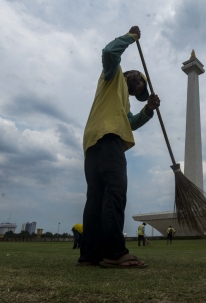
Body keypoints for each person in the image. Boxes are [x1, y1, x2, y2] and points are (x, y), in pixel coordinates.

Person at [78, 26, 160, 269]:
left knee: (96, 198)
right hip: (107, 138)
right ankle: (114, 253)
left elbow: (130, 122)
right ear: (134, 77)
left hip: (93, 143)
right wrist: (131, 37)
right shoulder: (114, 74)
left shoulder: (121, 98)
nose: (138, 91)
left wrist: (148, 111)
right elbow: (109, 52)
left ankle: (90, 255)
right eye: (139, 88)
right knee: (115, 193)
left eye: (141, 93)